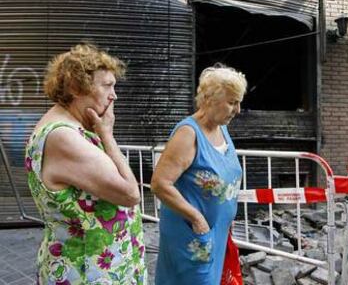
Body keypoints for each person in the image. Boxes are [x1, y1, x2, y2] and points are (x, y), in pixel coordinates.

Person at [25, 43, 147, 285]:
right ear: (76, 87)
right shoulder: (64, 136)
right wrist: (108, 135)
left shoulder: (73, 128)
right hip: (86, 272)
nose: (114, 95)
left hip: (97, 267)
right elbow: (130, 193)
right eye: (107, 86)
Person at [151, 64, 247, 285]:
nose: (238, 110)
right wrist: (197, 219)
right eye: (232, 102)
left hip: (217, 234)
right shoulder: (188, 134)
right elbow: (159, 184)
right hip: (193, 235)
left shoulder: (221, 128)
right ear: (209, 99)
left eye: (239, 102)